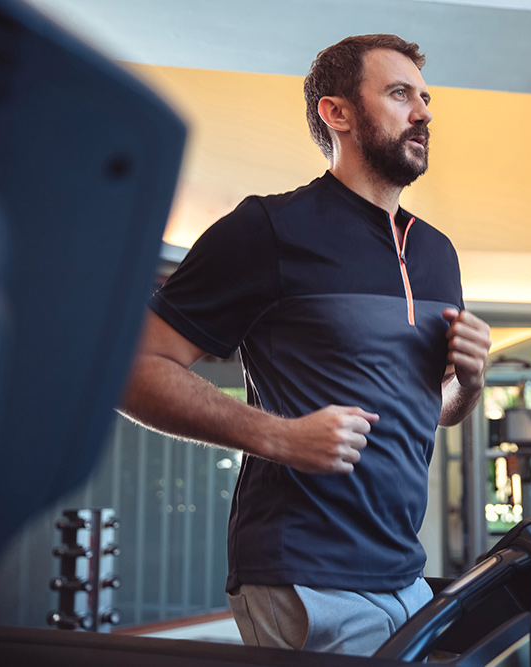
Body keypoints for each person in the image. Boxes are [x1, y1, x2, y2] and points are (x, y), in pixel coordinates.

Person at [120, 34, 492, 656]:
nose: (424, 113)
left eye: (425, 98)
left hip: (404, 571)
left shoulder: (437, 254)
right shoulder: (268, 229)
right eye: (400, 94)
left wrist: (469, 383)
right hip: (303, 572)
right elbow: (132, 369)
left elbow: (432, 412)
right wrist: (279, 437)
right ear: (337, 112)